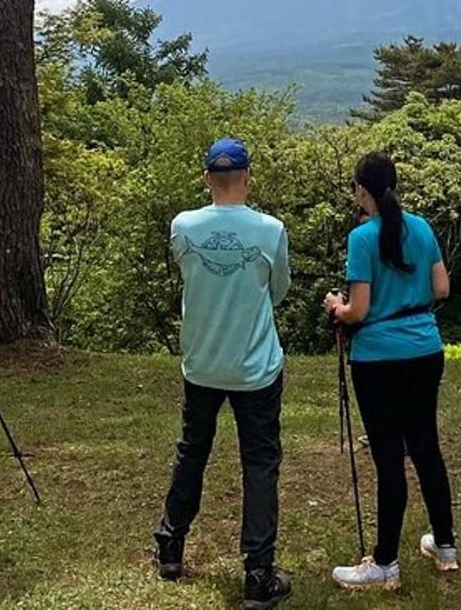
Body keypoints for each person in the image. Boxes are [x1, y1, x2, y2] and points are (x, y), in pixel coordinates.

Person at [153, 138, 293, 610]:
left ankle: (170, 548)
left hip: (202, 362)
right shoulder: (270, 230)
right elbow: (278, 292)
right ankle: (258, 573)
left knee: (192, 451)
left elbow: (188, 275)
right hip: (255, 365)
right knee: (259, 462)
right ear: (248, 177)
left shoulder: (183, 226)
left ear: (207, 178)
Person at [324, 152, 457, 591]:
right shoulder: (420, 228)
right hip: (425, 348)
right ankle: (444, 545)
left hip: (378, 358)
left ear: (362, 190)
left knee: (388, 457)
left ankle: (384, 562)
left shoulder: (362, 238)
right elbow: (441, 288)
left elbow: (358, 310)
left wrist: (335, 308)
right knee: (426, 448)